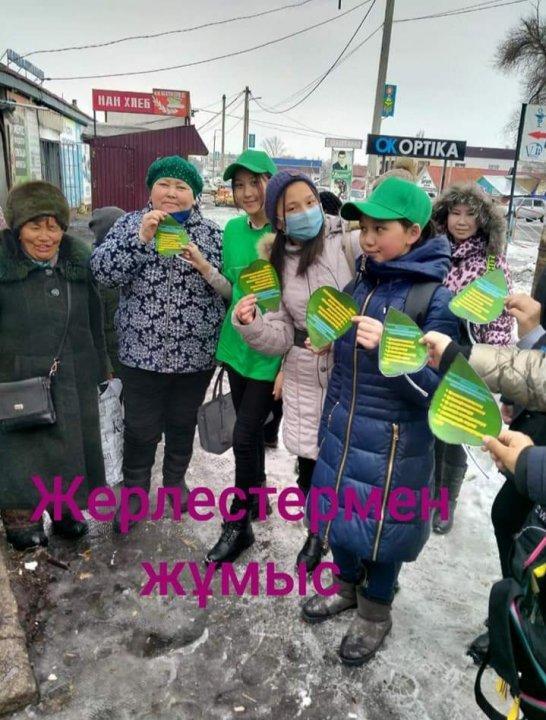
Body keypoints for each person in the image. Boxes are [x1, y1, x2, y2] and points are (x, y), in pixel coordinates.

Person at [300, 177, 459, 666]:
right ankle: (346, 586)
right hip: (344, 430)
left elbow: (440, 393)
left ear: (412, 233)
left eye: (380, 229)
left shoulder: (435, 300)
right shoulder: (361, 283)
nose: (367, 240)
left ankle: (375, 611)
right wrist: (329, 344)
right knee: (339, 518)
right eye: (364, 228)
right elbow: (346, 363)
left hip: (395, 446)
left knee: (383, 534)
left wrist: (391, 350)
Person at [232, 172, 361, 572]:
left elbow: (379, 301)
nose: (306, 211)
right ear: (279, 220)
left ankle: (348, 545)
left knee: (350, 465)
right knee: (310, 466)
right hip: (305, 371)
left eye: (310, 202)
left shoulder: (350, 242)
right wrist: (252, 324)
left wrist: (342, 339)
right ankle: (316, 532)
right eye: (293, 207)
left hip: (353, 371)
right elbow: (282, 332)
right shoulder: (276, 260)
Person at [90, 156, 225, 533]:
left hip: (195, 356)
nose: (172, 193)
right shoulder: (129, 224)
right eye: (164, 184)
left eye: (182, 187)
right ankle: (134, 494)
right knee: (140, 427)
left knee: (183, 423)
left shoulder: (213, 234)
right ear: (151, 189)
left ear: (195, 196)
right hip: (140, 354)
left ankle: (174, 482)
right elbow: (102, 273)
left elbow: (229, 287)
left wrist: (202, 264)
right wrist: (140, 239)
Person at [180, 149, 282, 564]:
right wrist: (204, 266)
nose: (247, 192)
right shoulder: (235, 231)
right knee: (250, 432)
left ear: (272, 183)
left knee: (243, 434)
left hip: (271, 351)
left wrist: (289, 363)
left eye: (255, 182)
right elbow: (231, 289)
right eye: (239, 185)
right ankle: (257, 496)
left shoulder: (289, 233)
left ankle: (239, 525)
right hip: (237, 345)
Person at [0, 181, 109, 549]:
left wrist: (102, 367)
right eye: (35, 226)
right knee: (24, 449)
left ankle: (63, 506)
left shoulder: (78, 263)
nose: (45, 237)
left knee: (69, 444)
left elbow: (96, 317)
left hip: (74, 371)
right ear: (18, 228)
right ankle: (21, 514)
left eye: (53, 227)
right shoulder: (3, 268)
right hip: (16, 376)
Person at [430, 183, 514, 534]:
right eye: (455, 213)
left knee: (453, 434)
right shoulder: (433, 252)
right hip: (430, 350)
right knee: (429, 429)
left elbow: (500, 324)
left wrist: (494, 372)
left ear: (484, 221)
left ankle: (444, 503)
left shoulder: (492, 264)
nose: (461, 221)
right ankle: (426, 495)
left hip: (469, 356)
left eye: (470, 214)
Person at [89, 207, 125, 377]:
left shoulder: (128, 259)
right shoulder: (95, 270)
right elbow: (94, 327)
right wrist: (106, 367)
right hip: (112, 356)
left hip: (131, 353)